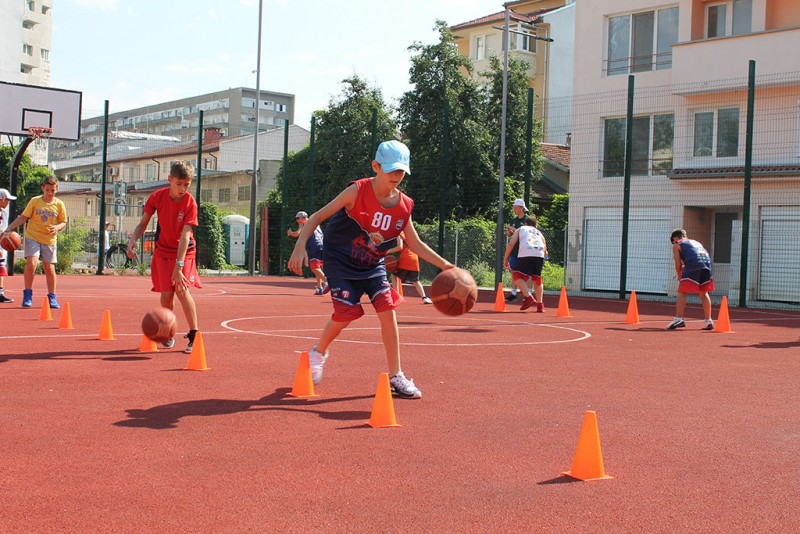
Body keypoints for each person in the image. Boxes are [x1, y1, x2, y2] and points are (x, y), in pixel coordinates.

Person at [288, 140, 454, 399]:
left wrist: (447, 266)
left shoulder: (404, 205)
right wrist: (300, 246)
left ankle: (396, 376)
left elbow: (415, 243)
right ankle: (318, 351)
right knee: (346, 314)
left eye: (401, 172)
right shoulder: (357, 191)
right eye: (391, 170)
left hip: (372, 264)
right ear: (376, 166)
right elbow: (318, 216)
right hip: (340, 262)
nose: (396, 176)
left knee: (388, 312)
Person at [127, 162, 202, 353]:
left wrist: (179, 266)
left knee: (181, 289)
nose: (183, 189)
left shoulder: (190, 203)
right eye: (179, 184)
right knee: (166, 295)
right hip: (163, 251)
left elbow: (186, 235)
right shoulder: (157, 197)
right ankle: (168, 332)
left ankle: (195, 335)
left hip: (184, 251)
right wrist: (133, 239)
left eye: (187, 184)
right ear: (170, 180)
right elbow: (143, 223)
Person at [1, 176, 67, 309]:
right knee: (31, 263)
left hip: (49, 239)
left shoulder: (59, 204)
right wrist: (9, 229)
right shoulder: (35, 201)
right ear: (43, 188)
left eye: (52, 191)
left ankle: (52, 296)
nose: (49, 193)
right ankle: (27, 294)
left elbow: (63, 222)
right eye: (47, 190)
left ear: (56, 190)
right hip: (33, 236)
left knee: (49, 268)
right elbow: (23, 217)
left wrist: (57, 227)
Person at [667, 228, 715, 330]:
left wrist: (679, 275)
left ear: (675, 238)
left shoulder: (677, 245)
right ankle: (708, 320)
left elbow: (678, 263)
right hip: (706, 265)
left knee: (682, 291)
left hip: (693, 265)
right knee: (703, 292)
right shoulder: (696, 242)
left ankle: (678, 318)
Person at [503, 215, 548, 312]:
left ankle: (528, 297)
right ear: (535, 225)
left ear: (526, 223)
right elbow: (545, 251)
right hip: (539, 254)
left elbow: (511, 244)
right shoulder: (539, 233)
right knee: (537, 279)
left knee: (516, 276)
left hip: (526, 253)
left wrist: (505, 259)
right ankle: (540, 305)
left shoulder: (521, 229)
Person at [287, 210, 328, 295]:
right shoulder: (315, 223)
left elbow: (298, 233)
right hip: (323, 245)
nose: (297, 221)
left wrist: (290, 233)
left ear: (302, 218)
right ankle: (320, 288)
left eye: (298, 219)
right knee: (318, 268)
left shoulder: (304, 224)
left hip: (314, 246)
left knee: (314, 267)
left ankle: (328, 282)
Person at [386, 231, 432, 304]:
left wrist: (388, 251)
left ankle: (397, 296)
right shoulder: (411, 234)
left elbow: (400, 247)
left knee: (394, 275)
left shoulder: (400, 233)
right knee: (416, 280)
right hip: (414, 258)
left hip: (406, 259)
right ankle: (424, 297)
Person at [504, 198, 528, 302]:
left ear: (522, 208)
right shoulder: (514, 220)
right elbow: (511, 234)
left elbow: (525, 232)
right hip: (515, 250)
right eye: (514, 208)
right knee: (514, 272)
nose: (514, 210)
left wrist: (513, 229)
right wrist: (509, 232)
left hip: (525, 251)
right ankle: (513, 293)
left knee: (527, 273)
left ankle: (529, 294)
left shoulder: (528, 220)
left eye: (516, 208)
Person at [0, 188, 18, 303]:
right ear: (1, 200)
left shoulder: (3, 212)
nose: (8, 202)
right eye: (7, 200)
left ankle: (0, 293)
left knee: (0, 268)